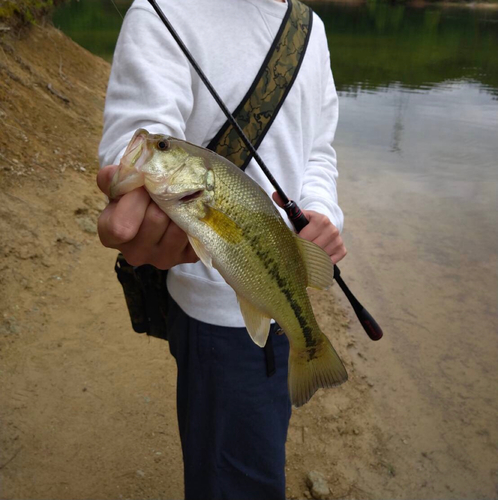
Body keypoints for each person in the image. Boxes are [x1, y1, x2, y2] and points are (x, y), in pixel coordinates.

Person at [97, 0, 347, 498]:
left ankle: (309, 349)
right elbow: (138, 134)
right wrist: (135, 191)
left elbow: (318, 147)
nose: (158, 151)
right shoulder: (160, 12)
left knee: (261, 453)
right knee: (235, 480)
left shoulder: (310, 28)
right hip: (216, 320)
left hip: (282, 298)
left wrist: (322, 210)